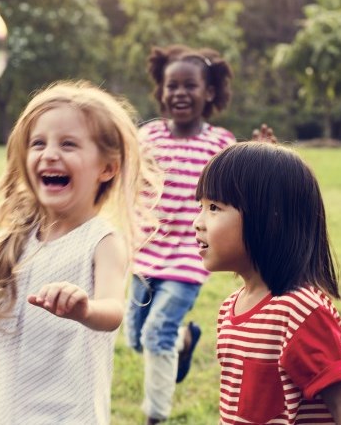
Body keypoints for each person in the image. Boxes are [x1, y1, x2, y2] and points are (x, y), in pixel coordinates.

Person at [0, 80, 158, 424]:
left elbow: (113, 309)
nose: (49, 153)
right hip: (5, 401)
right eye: (38, 143)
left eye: (68, 144)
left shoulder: (102, 240)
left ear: (107, 168)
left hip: (66, 407)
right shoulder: (15, 238)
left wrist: (85, 309)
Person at [194, 142, 341, 424]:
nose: (198, 222)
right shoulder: (230, 308)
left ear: (268, 219)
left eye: (214, 207)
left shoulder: (301, 312)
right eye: (200, 206)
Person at [124, 43, 238, 424]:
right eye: (171, 86)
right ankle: (186, 340)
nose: (179, 93)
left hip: (191, 255)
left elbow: (240, 182)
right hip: (145, 251)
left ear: (209, 92)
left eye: (190, 85)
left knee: (157, 331)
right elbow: (127, 179)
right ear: (161, 91)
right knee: (136, 338)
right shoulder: (148, 136)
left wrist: (262, 153)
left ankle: (156, 415)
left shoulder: (220, 143)